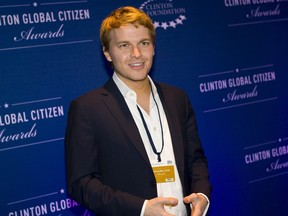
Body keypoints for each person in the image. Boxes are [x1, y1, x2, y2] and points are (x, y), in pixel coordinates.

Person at [65, 6, 211, 216]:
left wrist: (202, 194)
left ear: (153, 47)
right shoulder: (87, 109)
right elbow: (81, 184)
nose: (136, 54)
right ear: (107, 53)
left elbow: (195, 159)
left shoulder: (177, 98)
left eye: (144, 43)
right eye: (124, 45)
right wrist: (141, 209)